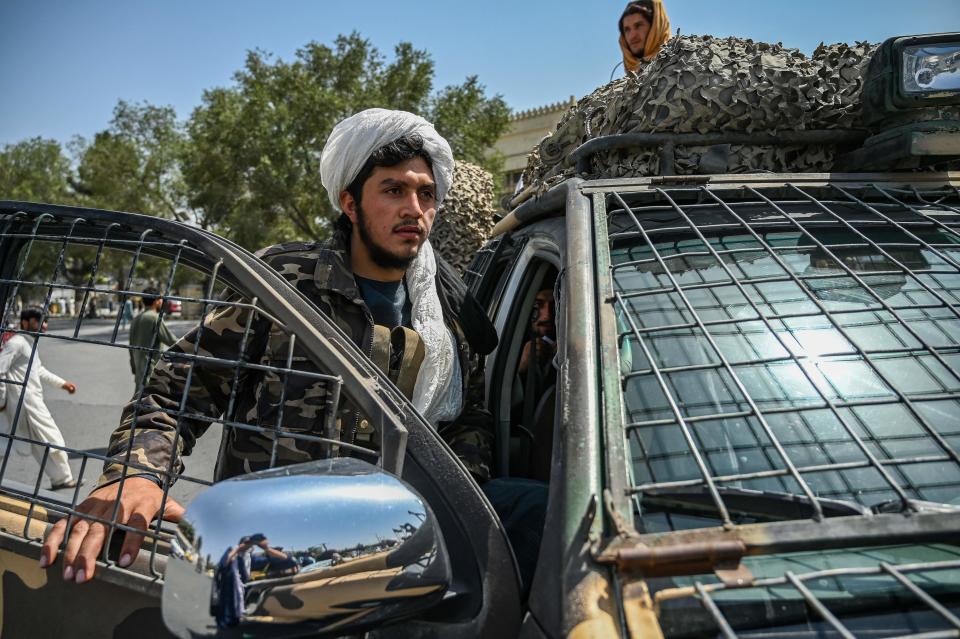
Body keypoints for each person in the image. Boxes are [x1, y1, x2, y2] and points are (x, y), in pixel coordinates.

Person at [40, 108, 501, 586]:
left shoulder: (448, 316)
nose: (414, 208)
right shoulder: (284, 285)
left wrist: (451, 505)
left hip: (391, 554)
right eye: (393, 190)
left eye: (426, 193)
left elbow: (469, 419)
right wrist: (136, 474)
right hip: (266, 555)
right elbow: (179, 390)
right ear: (349, 202)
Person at [0, 308, 81, 490]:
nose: (44, 326)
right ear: (26, 322)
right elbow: (0, 370)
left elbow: (38, 370)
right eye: (40, 322)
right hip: (23, 402)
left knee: (40, 442)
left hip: (28, 402)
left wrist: (63, 384)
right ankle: (63, 478)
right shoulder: (17, 343)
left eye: (45, 322)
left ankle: (62, 479)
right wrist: (2, 401)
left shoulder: (29, 342)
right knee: (50, 438)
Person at [128, 288, 178, 393]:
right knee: (150, 402)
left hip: (139, 369)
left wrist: (133, 366)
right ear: (156, 301)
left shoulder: (136, 319)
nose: (162, 302)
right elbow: (171, 340)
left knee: (139, 400)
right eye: (160, 299)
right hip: (151, 369)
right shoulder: (154, 318)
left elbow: (130, 346)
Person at [619, 0, 672, 74]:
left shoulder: (683, 64)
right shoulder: (628, 81)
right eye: (627, 30)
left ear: (655, 28)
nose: (632, 36)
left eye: (638, 25)